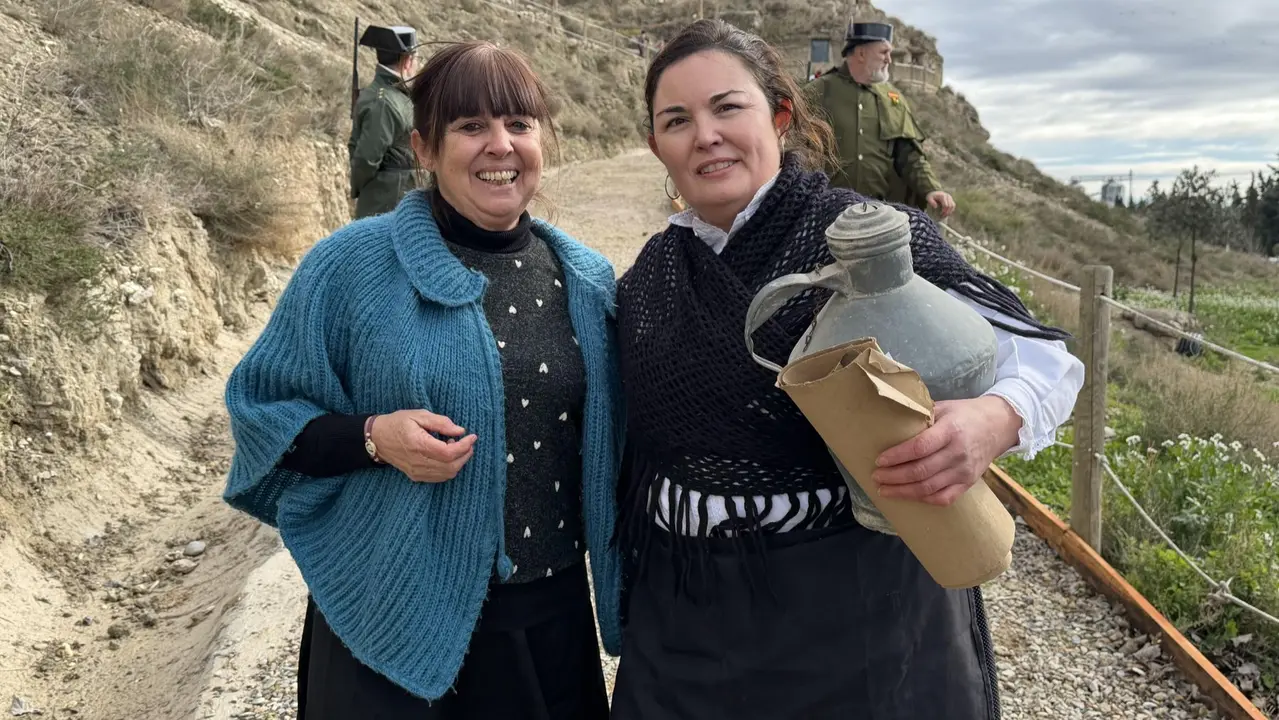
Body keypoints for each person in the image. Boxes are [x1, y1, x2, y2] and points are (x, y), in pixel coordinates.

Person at [611, 18, 1084, 719]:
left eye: (726, 107)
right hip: (683, 617)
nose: (703, 133)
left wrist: (994, 419)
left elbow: (1042, 356)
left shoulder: (864, 233)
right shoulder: (647, 276)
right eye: (676, 120)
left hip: (853, 602)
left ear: (778, 116)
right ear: (657, 147)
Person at [223, 41, 622, 719]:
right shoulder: (349, 266)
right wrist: (373, 438)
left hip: (544, 623)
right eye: (470, 127)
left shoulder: (586, 278)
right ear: (424, 147)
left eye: (518, 125)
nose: (500, 146)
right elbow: (261, 412)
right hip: (388, 619)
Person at [807, 21, 957, 218]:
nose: (889, 59)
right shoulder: (817, 91)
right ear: (861, 54)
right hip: (824, 213)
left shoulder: (893, 99)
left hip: (879, 216)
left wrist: (931, 188)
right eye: (883, 52)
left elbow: (909, 156)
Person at [348, 25, 419, 219]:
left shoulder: (393, 94)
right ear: (407, 61)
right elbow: (366, 158)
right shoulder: (384, 102)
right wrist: (358, 188)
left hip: (398, 195)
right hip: (387, 198)